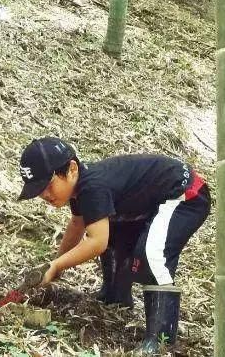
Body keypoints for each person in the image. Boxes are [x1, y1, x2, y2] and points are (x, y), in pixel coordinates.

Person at [17, 137, 210, 354]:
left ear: (71, 169)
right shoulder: (81, 189)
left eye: (47, 186)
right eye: (38, 191)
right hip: (149, 203)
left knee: (152, 253)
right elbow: (77, 225)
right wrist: (55, 265)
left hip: (184, 195)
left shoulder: (93, 187)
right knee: (109, 231)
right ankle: (116, 296)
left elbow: (96, 243)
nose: (45, 195)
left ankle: (161, 338)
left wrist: (56, 266)